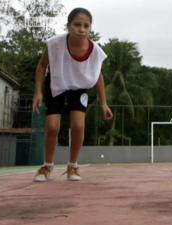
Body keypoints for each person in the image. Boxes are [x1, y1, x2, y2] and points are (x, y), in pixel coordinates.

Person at [32, 8, 113, 182]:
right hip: (56, 84)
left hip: (78, 87)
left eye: (86, 25)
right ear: (69, 26)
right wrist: (38, 91)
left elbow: (98, 76)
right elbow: (41, 66)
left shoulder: (95, 51)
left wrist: (103, 103)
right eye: (77, 24)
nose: (81, 29)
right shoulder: (54, 44)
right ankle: (47, 166)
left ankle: (73, 166)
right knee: (52, 127)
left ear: (90, 28)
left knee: (78, 126)